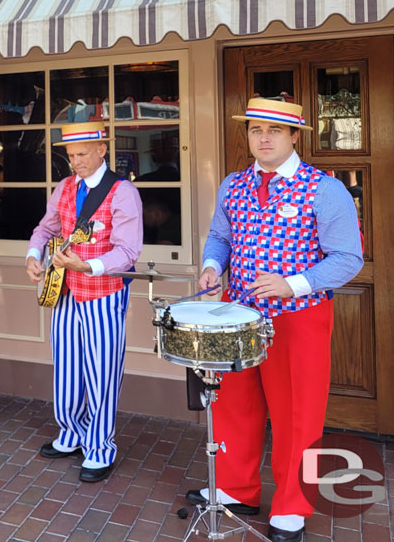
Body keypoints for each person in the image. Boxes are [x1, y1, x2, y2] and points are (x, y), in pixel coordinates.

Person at [185, 98, 363, 542]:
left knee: (297, 414)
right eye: (255, 130)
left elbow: (349, 259)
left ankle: (292, 505)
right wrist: (212, 265)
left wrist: (293, 283)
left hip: (297, 318)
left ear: (295, 136)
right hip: (237, 313)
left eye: (274, 131)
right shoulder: (234, 184)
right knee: (232, 404)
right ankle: (235, 487)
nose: (262, 138)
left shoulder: (324, 189)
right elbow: (220, 237)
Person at [25, 121, 142, 482]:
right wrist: (33, 255)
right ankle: (71, 432)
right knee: (67, 365)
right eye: (71, 155)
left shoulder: (123, 192)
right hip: (63, 290)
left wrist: (88, 265)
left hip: (103, 293)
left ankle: (100, 446)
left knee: (101, 370)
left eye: (82, 154)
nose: (76, 161)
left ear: (102, 150)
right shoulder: (63, 187)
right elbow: (46, 228)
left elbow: (128, 251)